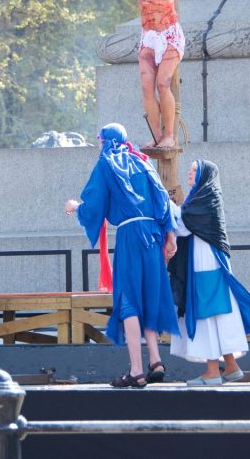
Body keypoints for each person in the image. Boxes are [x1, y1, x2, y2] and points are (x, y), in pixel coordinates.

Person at [65, 0, 249, 148]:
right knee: (146, 86)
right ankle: (156, 135)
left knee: (163, 83)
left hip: (169, 34)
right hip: (149, 36)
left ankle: (169, 135)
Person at [64, 123, 179, 387]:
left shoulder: (107, 163)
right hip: (153, 234)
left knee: (128, 300)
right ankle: (156, 361)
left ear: (106, 141)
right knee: (149, 296)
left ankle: (137, 370)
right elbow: (163, 199)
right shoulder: (144, 162)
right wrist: (170, 235)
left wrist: (75, 206)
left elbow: (94, 205)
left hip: (130, 236)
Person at [168, 160, 250, 386]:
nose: (189, 173)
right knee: (216, 313)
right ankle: (231, 366)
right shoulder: (204, 197)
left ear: (204, 175)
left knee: (206, 313)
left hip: (206, 265)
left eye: (194, 170)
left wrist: (165, 203)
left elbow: (183, 223)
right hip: (208, 264)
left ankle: (213, 370)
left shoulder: (205, 198)